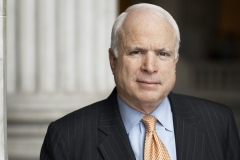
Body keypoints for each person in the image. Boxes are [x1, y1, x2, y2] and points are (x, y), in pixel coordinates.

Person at [40, 3, 240, 160]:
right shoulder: (67, 137)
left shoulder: (218, 123)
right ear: (113, 60)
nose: (150, 67)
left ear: (175, 62)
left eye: (162, 54)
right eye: (136, 52)